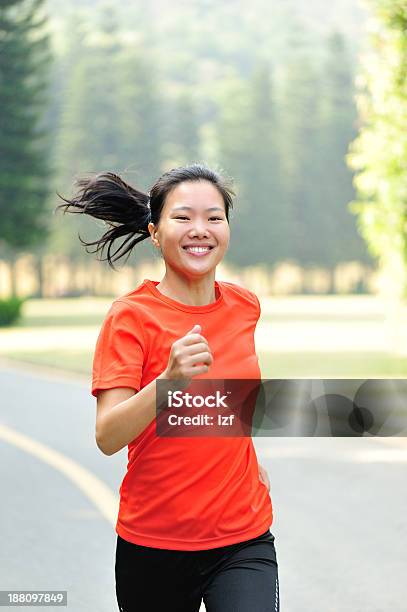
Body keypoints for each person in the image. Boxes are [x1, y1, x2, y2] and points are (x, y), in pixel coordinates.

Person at [56, 163, 280, 612]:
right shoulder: (131, 317)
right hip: (154, 544)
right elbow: (108, 436)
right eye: (183, 217)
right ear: (155, 233)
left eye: (214, 217)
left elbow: (231, 401)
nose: (201, 229)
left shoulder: (244, 307)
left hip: (243, 537)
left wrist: (247, 456)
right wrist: (168, 382)